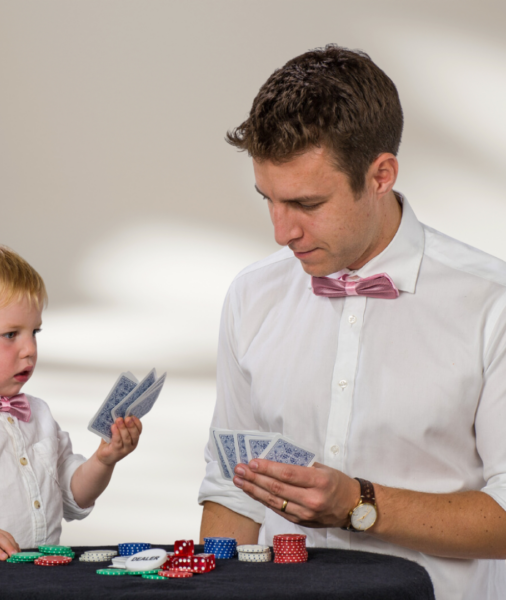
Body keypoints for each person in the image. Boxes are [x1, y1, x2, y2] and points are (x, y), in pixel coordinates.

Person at [198, 45, 506, 599]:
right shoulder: (252, 294)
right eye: (268, 198)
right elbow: (232, 489)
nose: (281, 232)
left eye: (307, 203)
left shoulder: (493, 303)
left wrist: (358, 504)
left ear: (381, 174)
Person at [0, 239, 142, 576]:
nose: (29, 348)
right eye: (10, 334)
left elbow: (73, 495)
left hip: (35, 580)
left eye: (34, 332)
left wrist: (104, 460)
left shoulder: (39, 414)